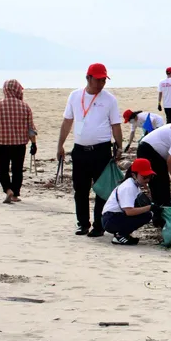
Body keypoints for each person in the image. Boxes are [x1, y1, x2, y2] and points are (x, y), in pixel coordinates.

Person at [57, 63, 123, 236]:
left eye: (104, 80)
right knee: (80, 188)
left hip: (101, 150)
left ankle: (99, 226)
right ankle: (83, 223)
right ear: (88, 78)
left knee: (101, 189)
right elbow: (67, 122)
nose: (101, 83)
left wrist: (119, 146)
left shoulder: (109, 99)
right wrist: (60, 145)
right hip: (79, 150)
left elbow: (116, 124)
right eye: (98, 79)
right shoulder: (74, 96)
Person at [0, 79, 37, 204]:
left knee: (2, 169)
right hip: (19, 144)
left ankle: (8, 190)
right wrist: (33, 143)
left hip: (1, 144)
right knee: (17, 169)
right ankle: (15, 194)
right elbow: (30, 129)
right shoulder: (25, 106)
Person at [101, 158, 156, 245]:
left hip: (113, 217)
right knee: (147, 215)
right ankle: (120, 235)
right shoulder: (129, 187)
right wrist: (150, 207)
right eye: (145, 177)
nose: (148, 180)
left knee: (147, 212)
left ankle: (123, 233)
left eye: (150, 177)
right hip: (110, 219)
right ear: (134, 175)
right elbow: (129, 212)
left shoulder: (134, 184)